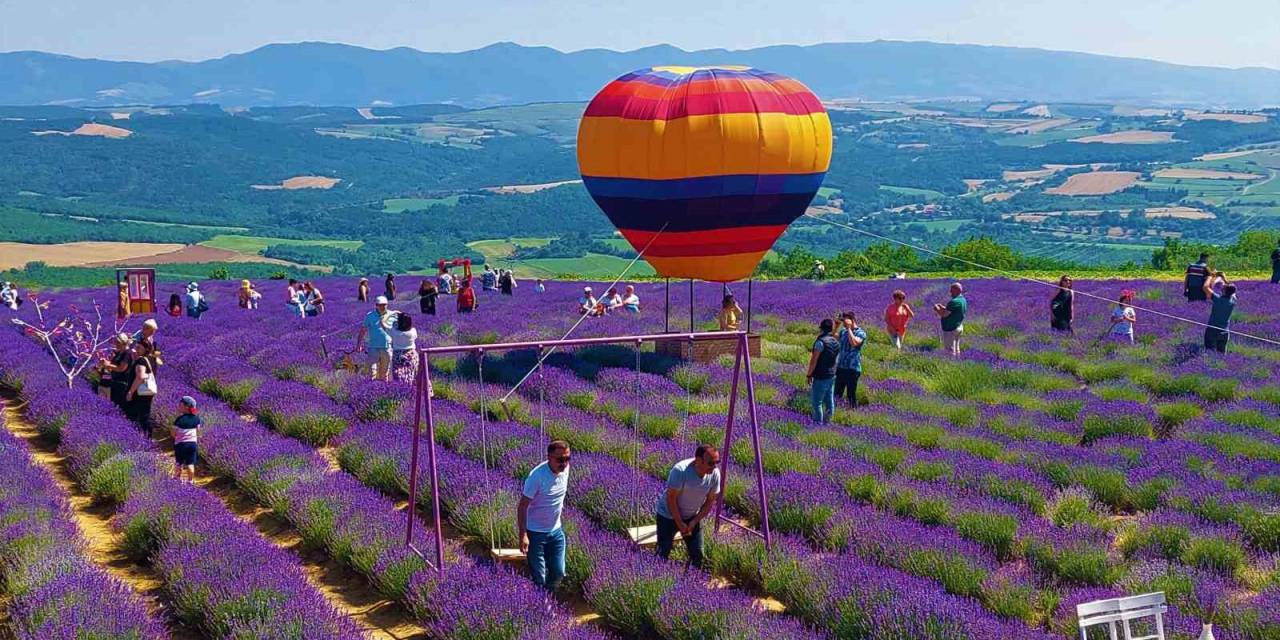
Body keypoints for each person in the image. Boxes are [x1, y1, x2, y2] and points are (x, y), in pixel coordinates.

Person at [654, 444, 721, 570]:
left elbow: (710, 501)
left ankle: (692, 581)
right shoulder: (680, 471)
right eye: (710, 463)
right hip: (668, 515)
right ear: (698, 460)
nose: (714, 466)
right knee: (663, 552)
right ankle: (655, 577)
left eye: (717, 462)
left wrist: (694, 522)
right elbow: (671, 499)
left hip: (691, 517)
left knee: (698, 554)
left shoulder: (715, 474)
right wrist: (680, 523)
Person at [518, 440, 571, 591]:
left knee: (559, 572)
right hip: (535, 534)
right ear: (549, 457)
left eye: (568, 459)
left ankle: (547, 600)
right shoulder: (536, 477)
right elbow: (522, 506)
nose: (564, 463)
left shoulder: (565, 469)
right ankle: (543, 607)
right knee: (539, 577)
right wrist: (523, 535)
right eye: (560, 459)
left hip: (556, 531)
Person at [805, 319, 840, 424]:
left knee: (817, 403)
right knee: (829, 401)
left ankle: (817, 424)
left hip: (821, 376)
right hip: (832, 374)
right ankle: (828, 422)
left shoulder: (820, 343)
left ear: (821, 329)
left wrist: (809, 374)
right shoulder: (835, 341)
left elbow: (813, 361)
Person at [125, 340, 159, 437]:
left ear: (146, 349)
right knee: (145, 414)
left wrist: (131, 392)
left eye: (139, 348)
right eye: (136, 347)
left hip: (139, 393)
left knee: (140, 415)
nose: (136, 349)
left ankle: (145, 436)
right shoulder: (149, 359)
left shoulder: (141, 360)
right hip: (146, 392)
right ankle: (148, 436)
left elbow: (140, 376)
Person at [356, 296, 393, 381]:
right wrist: (359, 344)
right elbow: (363, 330)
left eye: (384, 305)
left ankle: (384, 391)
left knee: (385, 373)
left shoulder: (392, 315)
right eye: (380, 305)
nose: (382, 307)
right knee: (372, 372)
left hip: (387, 347)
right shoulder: (370, 316)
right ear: (376, 305)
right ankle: (372, 389)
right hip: (373, 347)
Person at [835, 312, 867, 408]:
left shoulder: (861, 333)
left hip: (852, 368)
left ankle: (852, 412)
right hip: (841, 367)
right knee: (836, 393)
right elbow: (833, 337)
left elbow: (854, 343)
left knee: (851, 394)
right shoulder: (843, 332)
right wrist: (836, 326)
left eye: (845, 321)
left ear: (852, 320)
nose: (843, 324)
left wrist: (849, 328)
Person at [98, 333, 134, 410]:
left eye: (117, 342)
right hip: (114, 382)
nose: (116, 344)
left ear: (123, 343)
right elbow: (113, 366)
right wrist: (105, 363)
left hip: (121, 384)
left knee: (117, 406)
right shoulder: (119, 353)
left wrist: (107, 365)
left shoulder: (127, 353)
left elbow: (122, 368)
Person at [1203, 271, 1237, 353]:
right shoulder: (1233, 300)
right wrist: (1223, 277)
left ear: (1224, 291)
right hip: (1225, 331)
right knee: (1221, 354)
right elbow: (1231, 289)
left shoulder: (1218, 299)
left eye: (1223, 287)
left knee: (1209, 352)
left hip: (1212, 330)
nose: (1222, 287)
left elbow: (1205, 287)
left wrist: (1210, 276)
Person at [934, 282, 967, 356]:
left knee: (949, 350)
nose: (950, 292)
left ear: (956, 290)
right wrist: (943, 308)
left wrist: (937, 309)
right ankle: (957, 362)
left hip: (951, 328)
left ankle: (952, 364)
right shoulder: (962, 300)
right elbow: (952, 311)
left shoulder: (954, 302)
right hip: (959, 326)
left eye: (952, 290)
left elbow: (944, 315)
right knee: (956, 348)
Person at [172, 396, 200, 482]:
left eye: (180, 405)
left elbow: (173, 432)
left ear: (186, 407)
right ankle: (190, 481)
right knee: (190, 463)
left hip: (180, 444)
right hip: (192, 444)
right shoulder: (196, 419)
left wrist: (176, 437)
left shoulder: (179, 419)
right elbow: (198, 430)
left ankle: (177, 479)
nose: (178, 406)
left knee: (179, 463)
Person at [388, 312, 420, 382]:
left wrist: (393, 314)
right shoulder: (413, 332)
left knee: (398, 375)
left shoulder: (394, 332)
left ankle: (402, 390)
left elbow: (389, 324)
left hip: (398, 355)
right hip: (411, 354)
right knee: (413, 373)